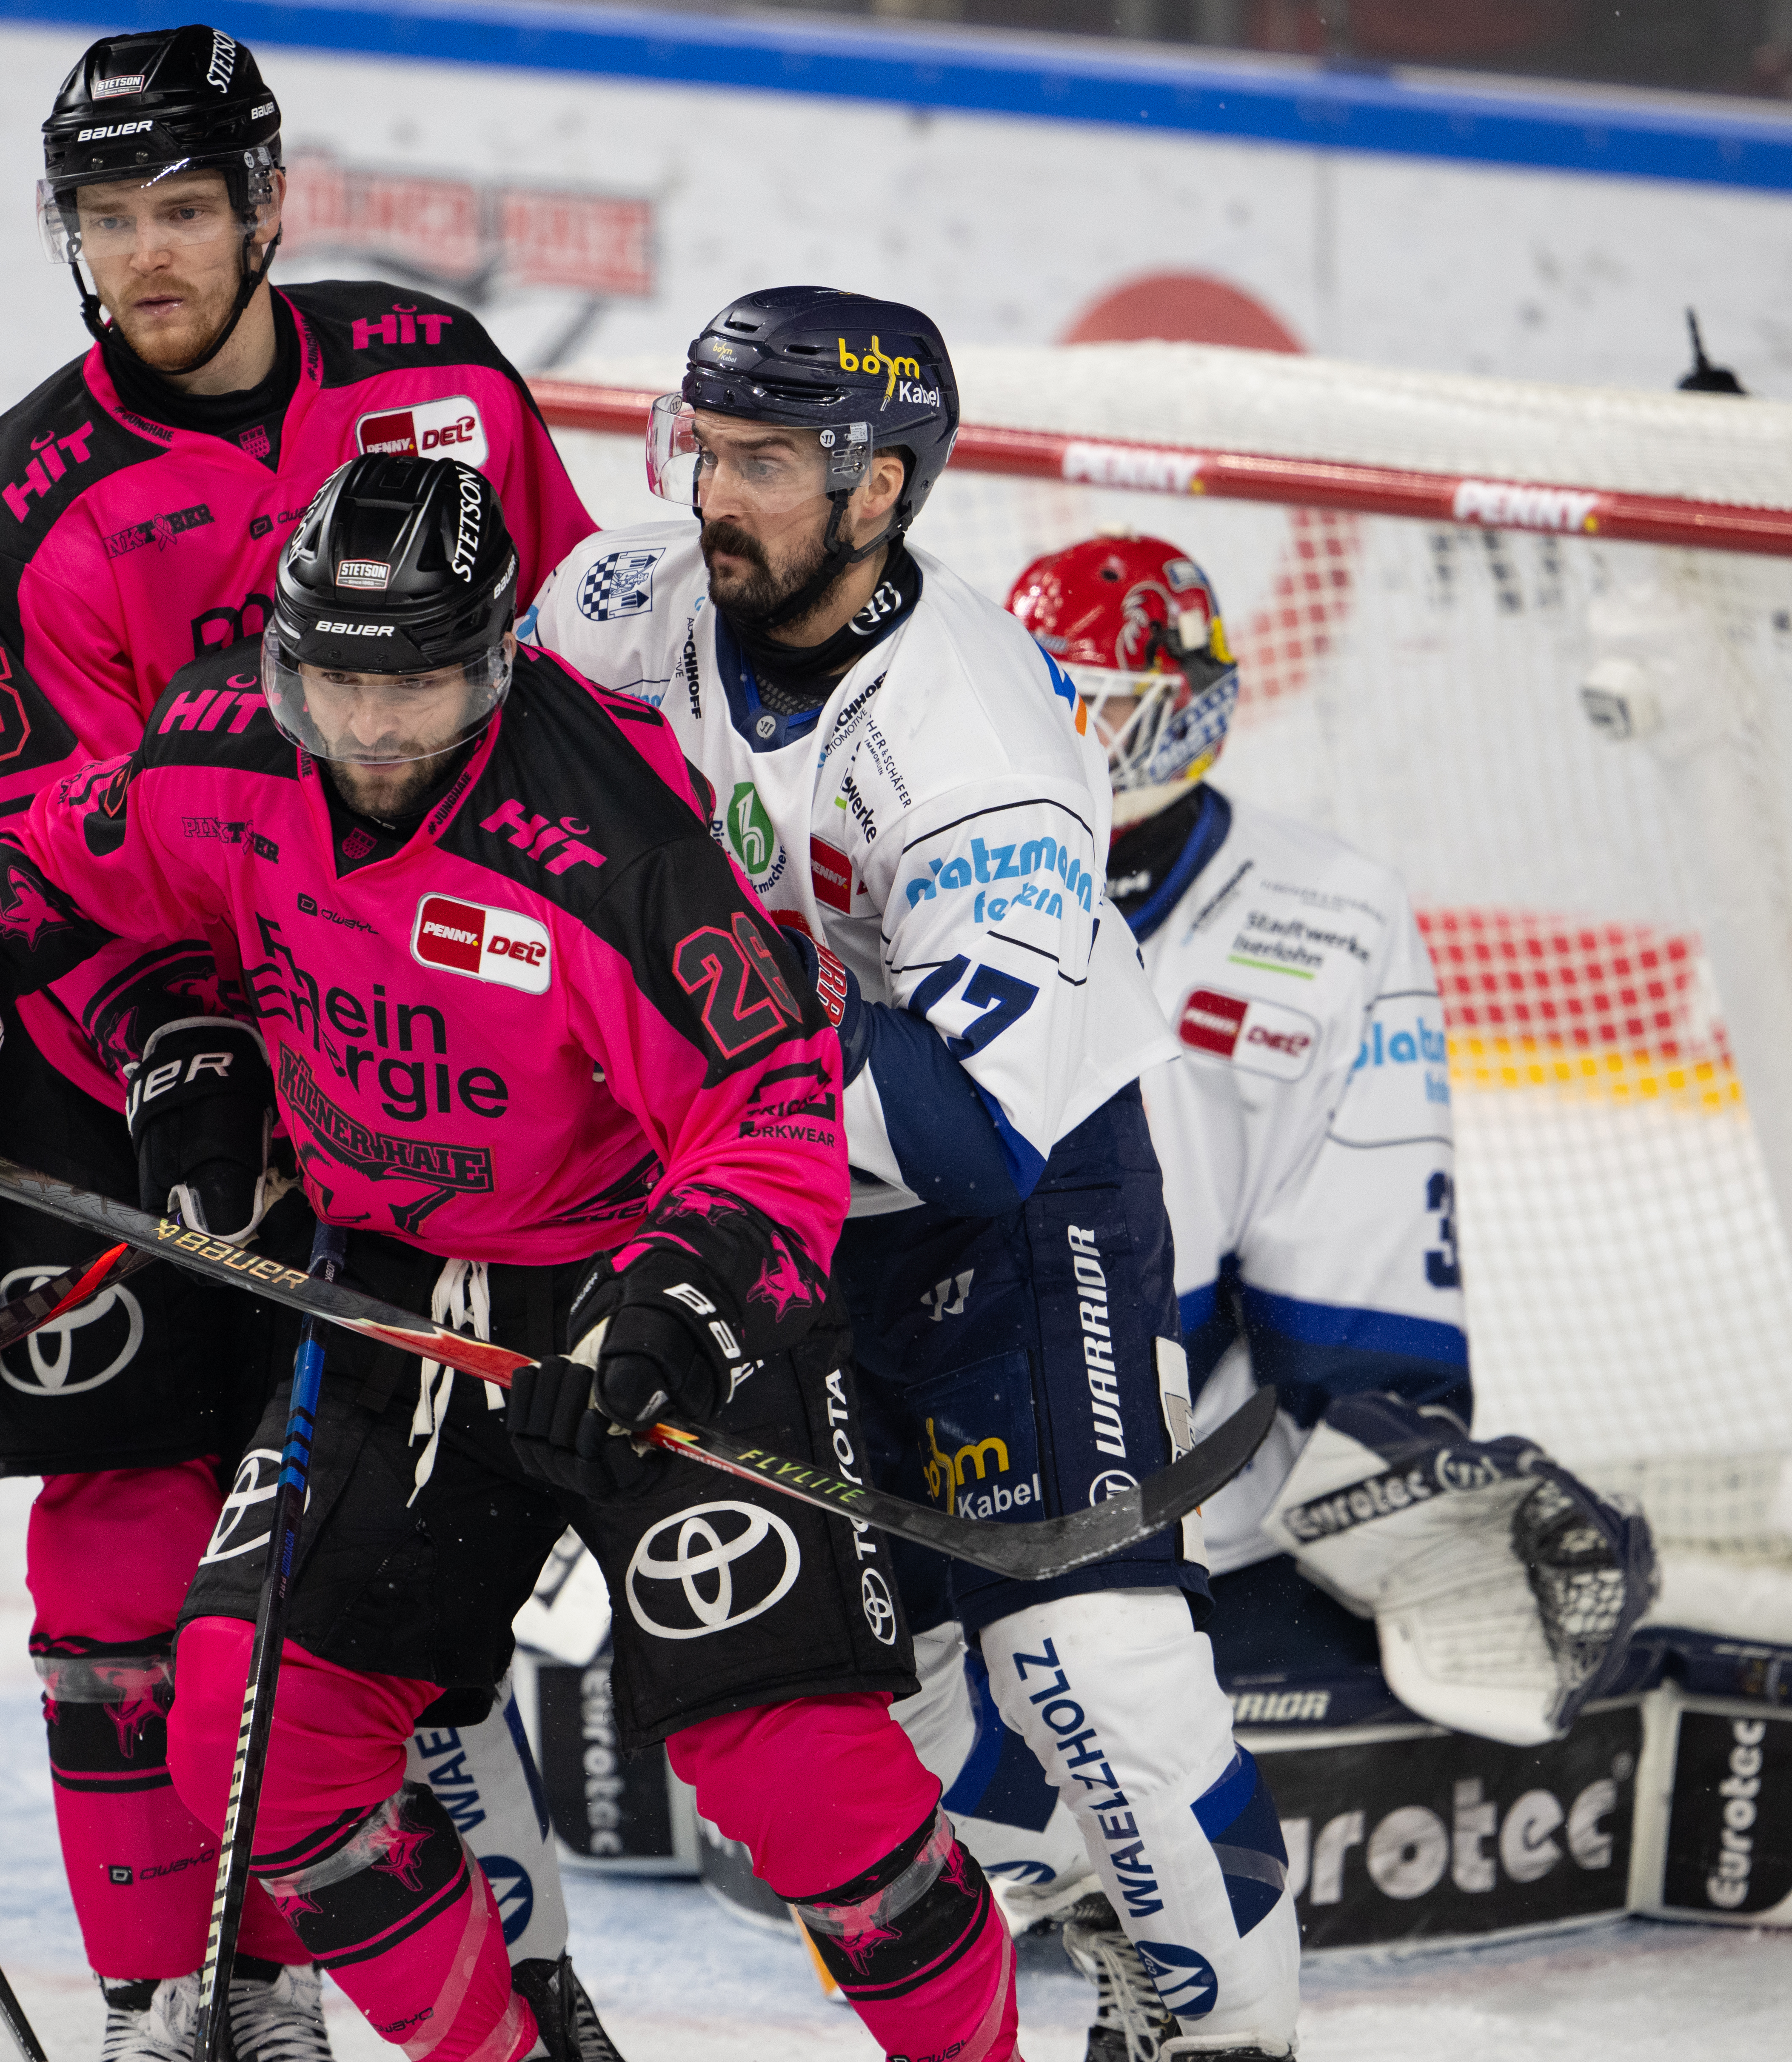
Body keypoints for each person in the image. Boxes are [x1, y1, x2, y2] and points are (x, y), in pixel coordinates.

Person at [0, 452, 1025, 2062]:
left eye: (420, 684)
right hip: (403, 1302)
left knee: (803, 1781)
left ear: (497, 656)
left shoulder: (614, 836)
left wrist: (669, 1315)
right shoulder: (231, 740)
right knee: (256, 1721)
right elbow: (62, 872)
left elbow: (774, 1100)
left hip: (648, 1297)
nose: (369, 732)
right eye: (336, 683)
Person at [0, 25, 612, 2051]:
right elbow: (58, 854)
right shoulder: (16, 515)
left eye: (184, 208)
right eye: (106, 218)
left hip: (425, 1029)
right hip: (151, 1044)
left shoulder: (443, 379)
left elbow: (578, 692)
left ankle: (522, 1980)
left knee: (383, 1585)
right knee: (130, 1549)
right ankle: (181, 2000)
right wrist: (178, 1053)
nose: (145, 256)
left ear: (268, 206)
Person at [531, 296, 1301, 2060]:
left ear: (883, 492)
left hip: (1007, 1216)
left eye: (770, 464)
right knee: (857, 1713)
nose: (715, 494)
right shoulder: (629, 608)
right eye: (706, 448)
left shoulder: (974, 757)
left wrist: (699, 1040)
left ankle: (1224, 2031)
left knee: (1090, 1660)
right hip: (767, 1199)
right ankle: (1046, 1843)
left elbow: (966, 1132)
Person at [988, 534, 1655, 2054]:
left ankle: (1143, 1910)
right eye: (1053, 703)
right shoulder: (927, 853)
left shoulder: (1326, 913)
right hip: (932, 1408)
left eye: (1100, 707)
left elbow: (1355, 1259)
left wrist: (1397, 1455)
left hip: (1177, 1479)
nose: (1079, 742)